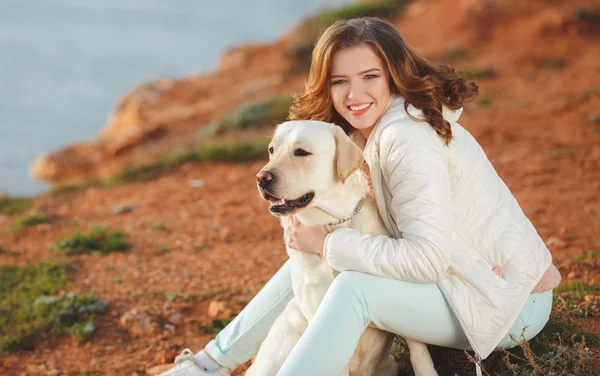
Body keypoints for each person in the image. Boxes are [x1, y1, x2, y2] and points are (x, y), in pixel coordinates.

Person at [160, 17, 561, 376]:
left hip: (506, 301)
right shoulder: (368, 133)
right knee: (314, 256)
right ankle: (208, 365)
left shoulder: (407, 139)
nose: (354, 93)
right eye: (340, 81)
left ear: (394, 75)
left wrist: (330, 243)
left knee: (352, 284)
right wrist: (317, 238)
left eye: (370, 76)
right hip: (467, 281)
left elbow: (426, 260)